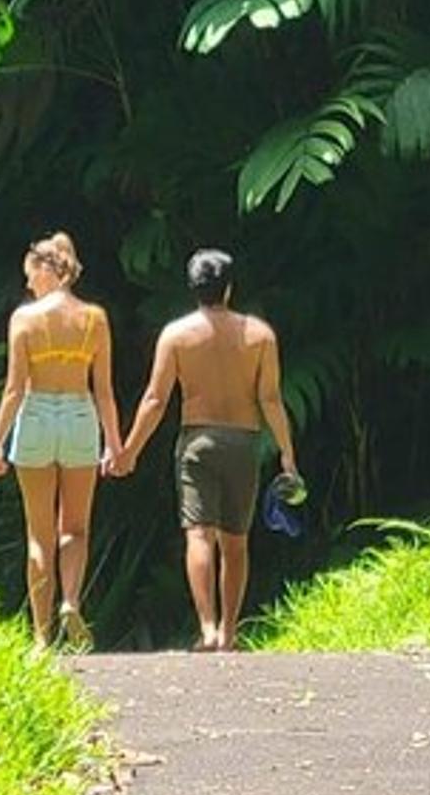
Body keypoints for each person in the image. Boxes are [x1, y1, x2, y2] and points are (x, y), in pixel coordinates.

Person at [115, 248, 299, 652]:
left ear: (193, 287)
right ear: (229, 288)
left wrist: (129, 450)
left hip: (196, 442)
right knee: (236, 541)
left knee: (199, 535)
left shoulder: (177, 335)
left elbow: (154, 400)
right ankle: (230, 633)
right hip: (243, 442)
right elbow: (270, 399)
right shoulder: (260, 335)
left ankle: (208, 626)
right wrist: (286, 452)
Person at [0, 233, 121, 650]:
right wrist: (114, 443)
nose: (29, 286)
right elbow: (104, 390)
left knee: (38, 534)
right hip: (80, 416)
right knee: (76, 528)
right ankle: (71, 601)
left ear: (47, 269)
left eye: (31, 276)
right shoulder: (94, 318)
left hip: (37, 417)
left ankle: (42, 637)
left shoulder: (24, 320)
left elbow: (14, 388)